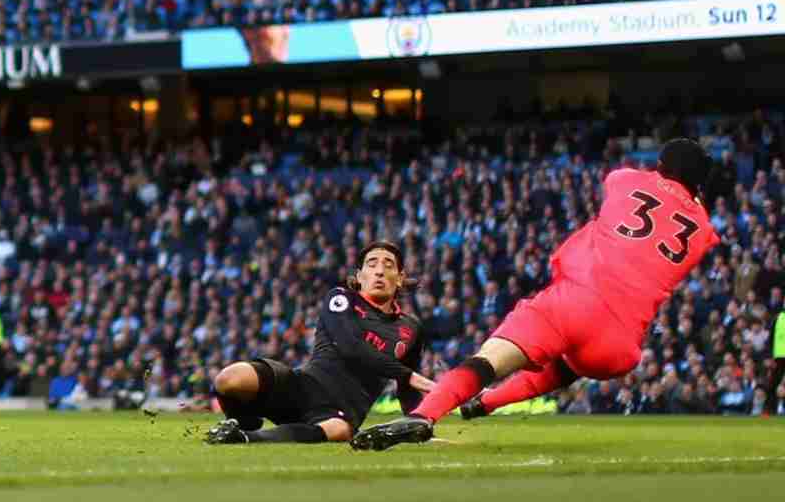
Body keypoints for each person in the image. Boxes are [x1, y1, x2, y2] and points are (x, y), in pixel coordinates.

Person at [352, 139, 718, 451]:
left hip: (575, 299)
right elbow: (696, 219)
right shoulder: (703, 232)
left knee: (489, 361)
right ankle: (488, 404)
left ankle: (423, 416)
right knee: (566, 367)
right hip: (620, 345)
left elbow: (621, 182)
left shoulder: (627, 180)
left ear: (660, 165)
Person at [205, 241, 433, 445]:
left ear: (400, 278)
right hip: (302, 386)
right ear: (360, 275)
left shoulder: (411, 328)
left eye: (388, 265)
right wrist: (411, 376)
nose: (379, 271)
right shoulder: (341, 298)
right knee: (229, 379)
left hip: (340, 410)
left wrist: (420, 425)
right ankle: (243, 422)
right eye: (371, 264)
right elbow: (350, 347)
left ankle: (242, 438)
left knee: (339, 430)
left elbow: (407, 392)